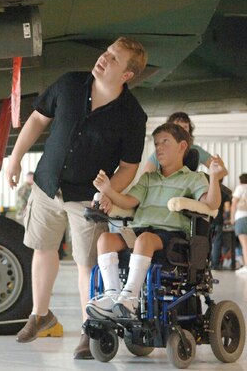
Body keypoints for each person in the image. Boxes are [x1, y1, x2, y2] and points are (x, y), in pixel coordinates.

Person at [6, 37, 148, 358]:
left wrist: (110, 191)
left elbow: (128, 167)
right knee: (43, 249)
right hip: (46, 185)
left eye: (114, 59)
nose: (104, 59)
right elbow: (37, 120)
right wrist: (14, 159)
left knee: (87, 265)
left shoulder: (132, 115)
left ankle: (89, 330)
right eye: (107, 52)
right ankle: (40, 315)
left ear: (127, 74)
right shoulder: (70, 83)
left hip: (87, 198)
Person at [86, 123, 225, 321]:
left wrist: (213, 177)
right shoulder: (148, 178)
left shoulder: (193, 179)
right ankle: (112, 295)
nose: (158, 148)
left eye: (165, 142)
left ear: (182, 146)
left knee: (144, 239)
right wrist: (108, 190)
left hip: (171, 237)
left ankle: (130, 298)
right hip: (140, 232)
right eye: (157, 143)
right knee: (105, 239)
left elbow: (211, 204)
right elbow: (129, 202)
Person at [143, 112, 226, 174]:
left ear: (189, 130)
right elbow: (145, 175)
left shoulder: (196, 151)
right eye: (177, 126)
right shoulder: (160, 152)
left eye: (185, 127)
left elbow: (222, 172)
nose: (181, 130)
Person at [210, 179, 232, 269]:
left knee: (207, 241)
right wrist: (227, 220)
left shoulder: (208, 189)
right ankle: (215, 265)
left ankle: (206, 264)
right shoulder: (225, 192)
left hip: (208, 219)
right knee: (217, 242)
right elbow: (227, 209)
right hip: (219, 221)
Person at [231, 173, 247, 275]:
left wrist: (232, 218)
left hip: (241, 218)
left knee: (244, 244)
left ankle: (246, 266)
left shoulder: (240, 188)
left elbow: (234, 204)